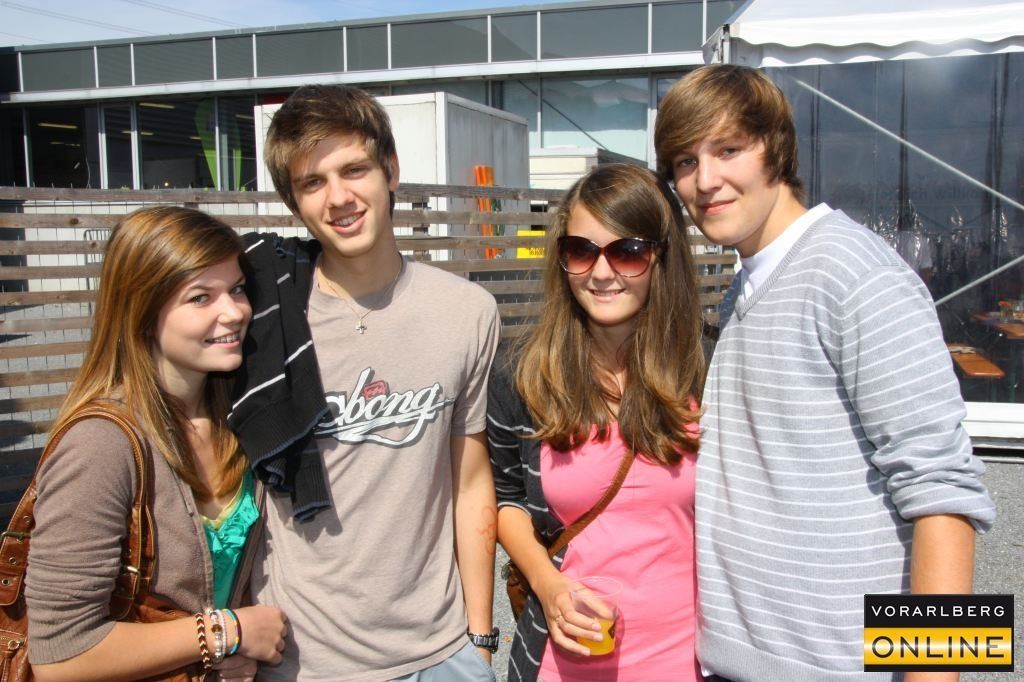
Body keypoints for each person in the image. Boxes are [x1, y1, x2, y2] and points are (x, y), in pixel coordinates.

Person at [654, 64, 996, 682]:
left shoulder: (855, 271)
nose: (705, 180)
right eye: (685, 161)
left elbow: (945, 492)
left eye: (728, 150)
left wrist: (934, 674)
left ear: (776, 149)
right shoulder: (747, 284)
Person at [229, 84, 501, 680]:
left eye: (354, 169)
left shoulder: (467, 311)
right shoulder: (262, 320)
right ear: (293, 202)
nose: (339, 197)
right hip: (303, 661)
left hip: (442, 654)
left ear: (391, 171)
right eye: (313, 182)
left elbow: (470, 480)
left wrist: (480, 638)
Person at [26, 206, 289, 681]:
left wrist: (222, 653)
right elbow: (60, 657)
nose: (234, 312)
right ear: (143, 313)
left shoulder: (237, 417)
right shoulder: (100, 445)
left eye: (236, 289)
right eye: (200, 297)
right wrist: (226, 632)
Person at [488, 163, 706, 682]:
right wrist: (546, 585)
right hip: (559, 665)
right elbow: (505, 498)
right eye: (582, 251)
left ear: (661, 258)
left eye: (627, 252)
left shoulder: (709, 371)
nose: (602, 273)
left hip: (687, 662)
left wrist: (902, 652)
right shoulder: (522, 377)